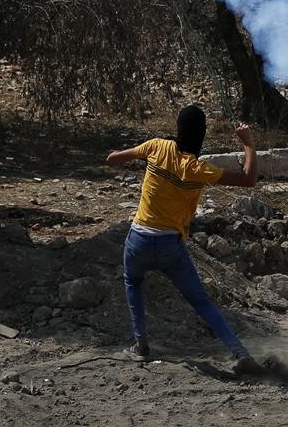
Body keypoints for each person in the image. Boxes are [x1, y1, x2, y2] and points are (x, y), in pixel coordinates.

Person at [105, 105, 265, 375]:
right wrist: (248, 145)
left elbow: (112, 159)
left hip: (139, 240)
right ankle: (240, 352)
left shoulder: (156, 147)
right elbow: (249, 180)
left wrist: (138, 159)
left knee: (133, 283)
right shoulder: (199, 169)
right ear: (201, 134)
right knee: (201, 302)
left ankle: (141, 345)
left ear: (178, 128)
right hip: (170, 246)